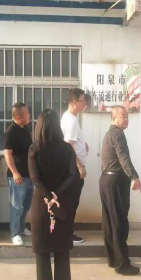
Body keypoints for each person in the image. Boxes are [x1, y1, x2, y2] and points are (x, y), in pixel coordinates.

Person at [28, 109, 80, 280]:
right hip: (62, 204)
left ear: (39, 126)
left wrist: (48, 197)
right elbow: (73, 175)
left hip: (42, 206)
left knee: (42, 250)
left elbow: (35, 179)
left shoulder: (35, 149)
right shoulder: (67, 149)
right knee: (61, 248)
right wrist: (57, 195)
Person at [99, 106, 141, 275]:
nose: (127, 119)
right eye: (123, 116)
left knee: (110, 222)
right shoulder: (117, 134)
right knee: (119, 223)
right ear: (114, 118)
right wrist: (134, 176)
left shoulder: (110, 133)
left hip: (106, 180)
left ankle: (113, 259)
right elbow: (123, 157)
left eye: (127, 116)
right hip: (115, 181)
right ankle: (122, 264)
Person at [60, 88, 88, 244]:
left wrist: (83, 144)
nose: (84, 104)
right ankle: (67, 233)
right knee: (71, 202)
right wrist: (79, 167)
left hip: (70, 168)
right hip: (73, 169)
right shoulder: (71, 121)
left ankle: (66, 231)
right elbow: (68, 146)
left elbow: (73, 142)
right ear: (74, 102)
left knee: (70, 202)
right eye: (82, 101)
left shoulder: (69, 117)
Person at [3, 103, 33, 246]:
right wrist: (15, 173)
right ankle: (14, 234)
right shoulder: (11, 132)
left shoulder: (25, 129)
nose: (29, 116)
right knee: (16, 206)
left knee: (26, 205)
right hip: (17, 176)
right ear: (19, 117)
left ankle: (22, 228)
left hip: (29, 175)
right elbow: (7, 154)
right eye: (27, 114)